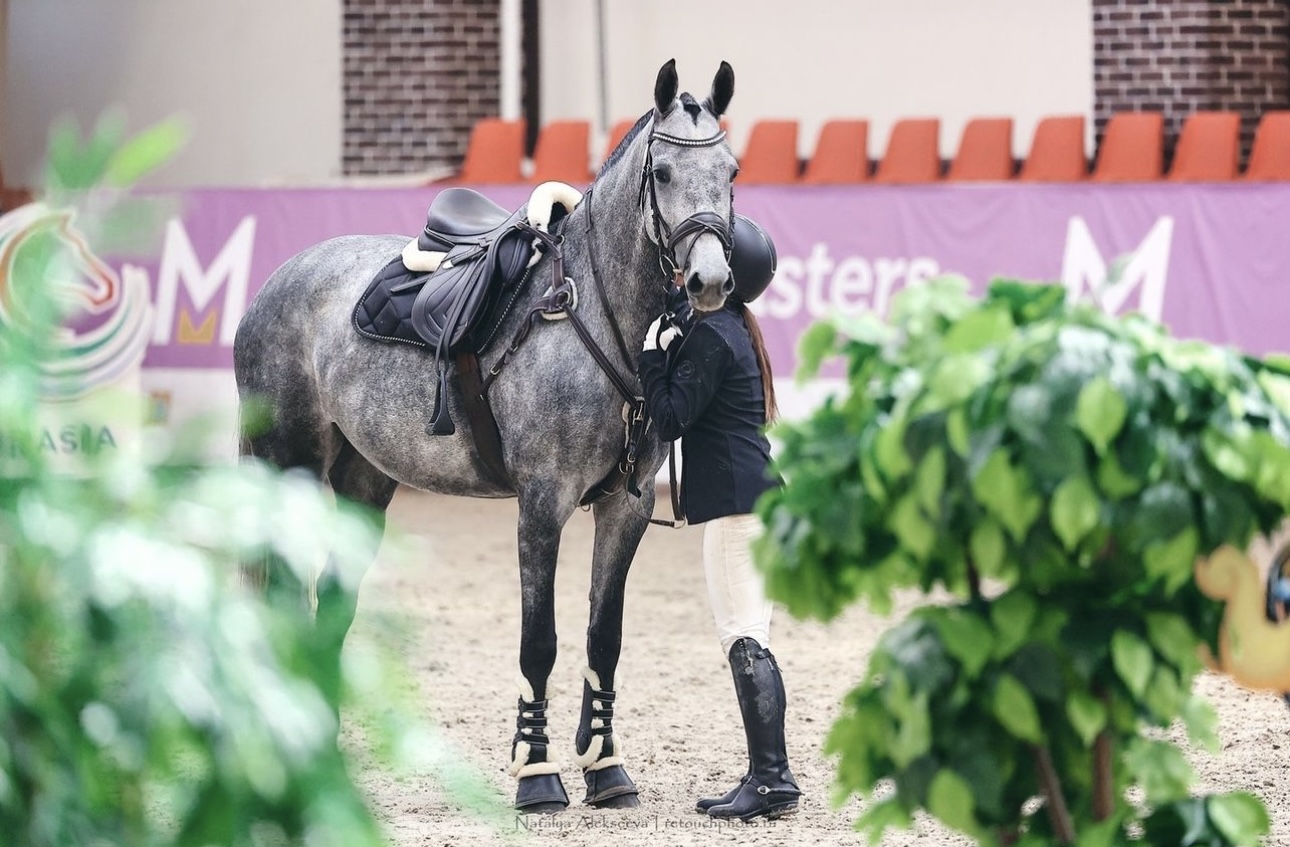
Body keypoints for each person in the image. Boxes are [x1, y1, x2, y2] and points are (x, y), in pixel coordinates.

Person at [637, 215, 801, 822]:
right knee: (753, 635)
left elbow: (671, 417)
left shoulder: (714, 339)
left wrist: (653, 359)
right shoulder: (733, 331)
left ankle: (772, 778)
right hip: (754, 502)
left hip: (736, 510)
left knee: (744, 640)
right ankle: (770, 775)